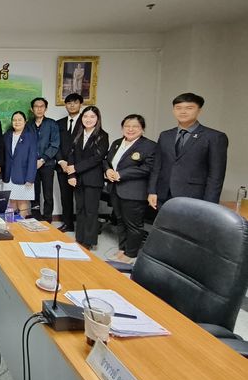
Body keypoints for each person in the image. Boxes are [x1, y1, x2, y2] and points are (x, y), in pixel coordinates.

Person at [148, 93, 228, 210]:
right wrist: (152, 191)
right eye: (178, 108)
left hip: (194, 197)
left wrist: (209, 205)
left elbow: (216, 176)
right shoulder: (165, 135)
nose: (183, 112)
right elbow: (157, 166)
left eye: (189, 108)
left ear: (199, 110)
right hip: (163, 194)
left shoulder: (214, 137)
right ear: (173, 110)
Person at [104, 114, 156, 263]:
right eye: (127, 126)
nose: (130, 129)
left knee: (133, 224)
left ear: (142, 129)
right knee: (120, 220)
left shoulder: (149, 146)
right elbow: (107, 161)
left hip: (134, 191)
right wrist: (108, 170)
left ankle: (131, 254)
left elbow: (148, 168)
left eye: (135, 126)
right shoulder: (117, 143)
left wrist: (122, 174)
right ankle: (122, 249)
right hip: (115, 189)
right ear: (122, 128)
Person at [66, 106, 109, 249]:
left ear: (97, 119)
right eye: (85, 116)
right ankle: (79, 238)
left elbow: (97, 158)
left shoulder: (102, 136)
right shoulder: (78, 133)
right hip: (77, 179)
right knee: (80, 209)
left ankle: (89, 241)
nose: (88, 119)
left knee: (91, 211)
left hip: (93, 179)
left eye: (92, 117)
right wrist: (71, 174)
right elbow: (71, 154)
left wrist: (76, 168)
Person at [26, 97, 60, 222]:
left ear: (46, 108)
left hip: (47, 164)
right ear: (32, 109)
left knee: (48, 194)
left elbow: (55, 144)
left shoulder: (52, 124)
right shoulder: (28, 125)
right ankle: (35, 217)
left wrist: (43, 160)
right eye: (36, 106)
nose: (39, 109)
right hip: (32, 165)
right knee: (33, 193)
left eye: (42, 106)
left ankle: (47, 219)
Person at [0, 111, 37, 216]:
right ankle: (12, 225)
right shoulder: (7, 136)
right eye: (14, 120)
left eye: (20, 120)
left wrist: (30, 178)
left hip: (23, 176)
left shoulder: (30, 137)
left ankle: (22, 225)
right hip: (8, 176)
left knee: (22, 203)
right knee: (11, 203)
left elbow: (32, 158)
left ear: (25, 121)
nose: (17, 122)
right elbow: (3, 156)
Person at [56, 93, 83, 232]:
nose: (72, 105)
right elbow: (56, 144)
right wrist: (61, 161)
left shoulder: (86, 122)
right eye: (69, 103)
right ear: (65, 105)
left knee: (81, 198)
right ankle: (68, 223)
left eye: (75, 102)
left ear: (80, 104)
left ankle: (83, 226)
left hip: (80, 167)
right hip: (63, 167)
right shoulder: (59, 123)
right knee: (65, 197)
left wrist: (74, 166)